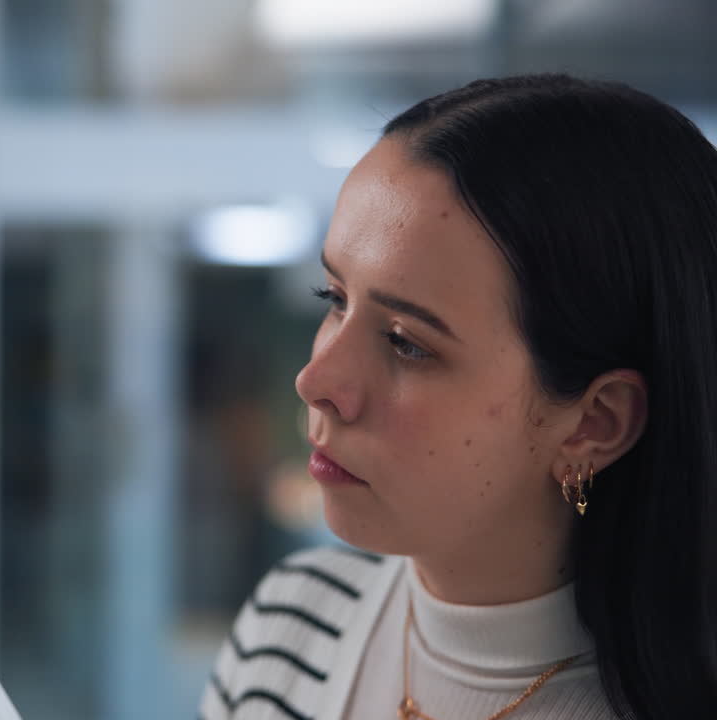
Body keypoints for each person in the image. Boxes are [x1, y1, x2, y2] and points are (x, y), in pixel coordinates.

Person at [199, 74, 717, 720]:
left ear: (595, 422)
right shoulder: (291, 624)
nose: (317, 381)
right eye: (334, 299)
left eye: (405, 342)